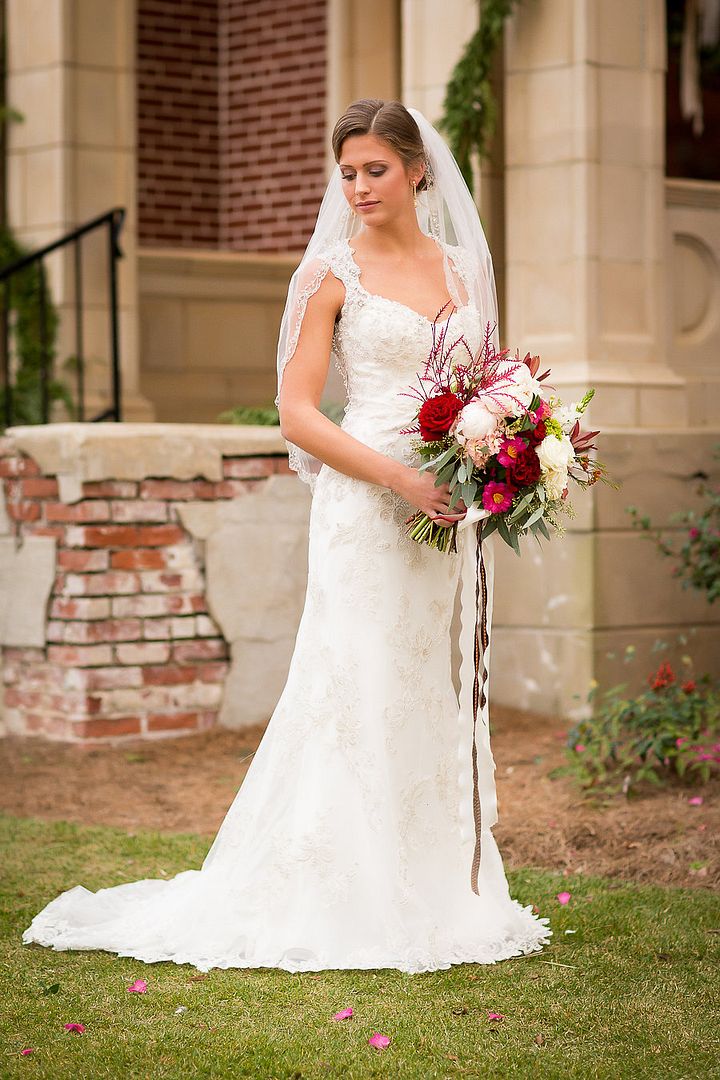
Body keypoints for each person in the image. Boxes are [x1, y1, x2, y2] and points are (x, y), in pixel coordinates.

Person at [21, 100, 552, 973]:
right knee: (354, 681)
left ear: (419, 171)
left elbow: (487, 381)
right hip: (363, 503)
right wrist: (396, 476)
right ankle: (335, 888)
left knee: (424, 680)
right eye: (346, 172)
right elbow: (298, 414)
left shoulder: (463, 269)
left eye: (374, 169)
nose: (357, 187)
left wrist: (499, 455)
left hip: (440, 509)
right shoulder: (328, 274)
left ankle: (424, 886)